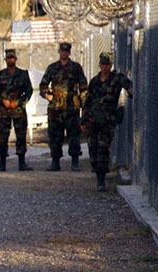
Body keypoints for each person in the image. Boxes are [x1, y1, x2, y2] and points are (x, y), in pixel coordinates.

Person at [81, 52, 133, 191]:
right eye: (103, 64)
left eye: (107, 64)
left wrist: (131, 90)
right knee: (93, 148)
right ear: (99, 65)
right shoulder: (94, 81)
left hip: (107, 121)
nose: (105, 67)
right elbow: (88, 102)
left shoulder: (116, 79)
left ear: (111, 65)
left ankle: (101, 180)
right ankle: (97, 170)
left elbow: (128, 85)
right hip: (93, 120)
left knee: (103, 149)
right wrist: (84, 120)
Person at [39, 42, 88, 171]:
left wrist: (83, 104)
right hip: (56, 108)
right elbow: (43, 85)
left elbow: (83, 86)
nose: (64, 53)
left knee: (73, 136)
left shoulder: (76, 67)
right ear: (59, 51)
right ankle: (55, 162)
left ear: (69, 52)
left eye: (66, 51)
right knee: (55, 136)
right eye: (62, 51)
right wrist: (46, 95)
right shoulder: (52, 68)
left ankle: (75, 162)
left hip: (71, 107)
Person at [0, 49, 34, 172]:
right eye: (8, 58)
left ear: (16, 59)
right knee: (3, 137)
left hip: (18, 110)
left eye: (12, 58)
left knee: (21, 136)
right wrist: (1, 100)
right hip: (4, 111)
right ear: (6, 59)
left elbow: (29, 91)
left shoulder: (23, 74)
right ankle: (2, 164)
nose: (11, 60)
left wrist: (19, 102)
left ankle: (22, 163)